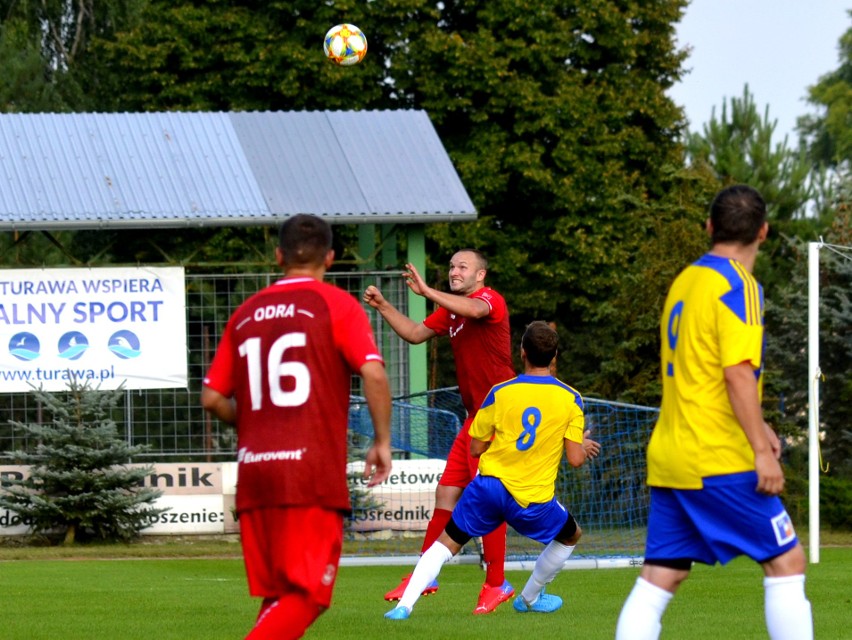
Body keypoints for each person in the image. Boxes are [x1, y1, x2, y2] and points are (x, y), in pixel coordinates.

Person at [615, 185, 813, 640]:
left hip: (671, 455)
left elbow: (698, 369)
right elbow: (736, 374)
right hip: (717, 456)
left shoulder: (686, 281)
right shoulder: (739, 285)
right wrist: (761, 450)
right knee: (787, 561)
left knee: (661, 575)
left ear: (709, 227)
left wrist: (758, 422)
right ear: (763, 232)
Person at [201, 214, 392, 640]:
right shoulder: (335, 304)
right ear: (330, 257)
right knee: (308, 597)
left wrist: (254, 425)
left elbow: (213, 397)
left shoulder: (246, 312)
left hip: (256, 474)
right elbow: (374, 374)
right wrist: (382, 441)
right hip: (308, 474)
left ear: (278, 256)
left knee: (279, 597)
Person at [384, 321, 601, 620]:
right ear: (554, 357)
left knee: (445, 544)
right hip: (531, 498)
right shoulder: (570, 398)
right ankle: (529, 598)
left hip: (489, 488)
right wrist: (581, 443)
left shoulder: (500, 392)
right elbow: (575, 459)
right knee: (571, 534)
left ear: (522, 352)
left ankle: (403, 607)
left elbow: (475, 448)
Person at [363, 249, 517, 614]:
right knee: (446, 493)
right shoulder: (451, 310)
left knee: (490, 500)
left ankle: (497, 583)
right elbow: (416, 334)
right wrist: (384, 306)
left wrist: (427, 292)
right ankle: (424, 575)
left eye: (463, 267)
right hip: (472, 420)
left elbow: (476, 311)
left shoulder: (489, 300)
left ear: (481, 275)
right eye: (451, 266)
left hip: (497, 419)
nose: (454, 271)